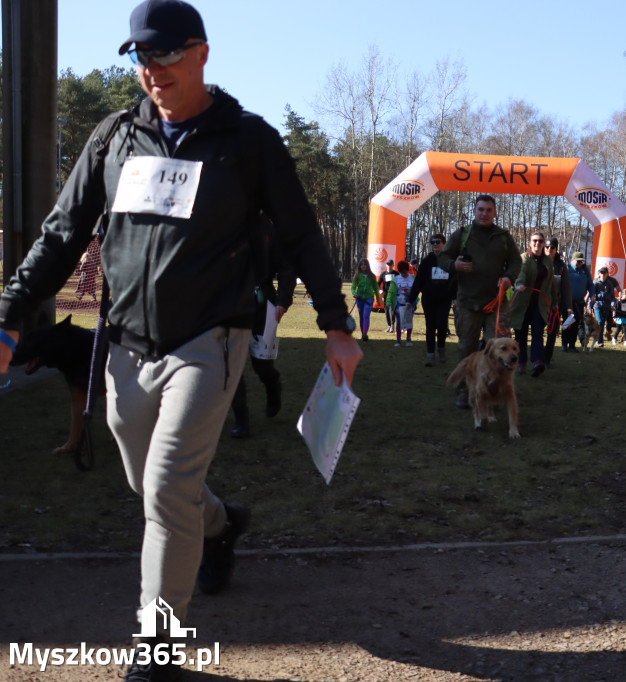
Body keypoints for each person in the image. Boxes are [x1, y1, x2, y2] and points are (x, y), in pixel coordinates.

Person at [0, 2, 363, 680]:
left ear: (200, 53)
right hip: (126, 349)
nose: (152, 71)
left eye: (165, 56)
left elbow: (300, 234)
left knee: (166, 486)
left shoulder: (247, 141)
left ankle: (156, 649)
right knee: (153, 486)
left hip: (209, 342)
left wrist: (337, 324)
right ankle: (222, 526)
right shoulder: (113, 138)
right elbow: (59, 234)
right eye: (141, 58)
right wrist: (10, 314)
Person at [437, 194, 521, 408]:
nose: (484, 213)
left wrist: (509, 278)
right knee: (467, 350)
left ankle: (497, 392)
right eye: (480, 209)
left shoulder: (503, 237)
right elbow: (443, 258)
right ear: (474, 211)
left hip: (497, 304)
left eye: (488, 210)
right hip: (468, 303)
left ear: (494, 212)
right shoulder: (462, 234)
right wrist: (453, 265)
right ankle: (464, 393)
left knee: (501, 351)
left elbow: (515, 261)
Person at [230, 221, 297, 439]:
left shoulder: (269, 228)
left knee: (261, 364)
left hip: (262, 304)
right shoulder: (221, 223)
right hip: (230, 305)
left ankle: (272, 386)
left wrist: (283, 300)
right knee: (231, 364)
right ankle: (241, 420)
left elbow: (286, 267)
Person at [511, 231, 555, 377]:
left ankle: (537, 362)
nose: (537, 243)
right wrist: (520, 284)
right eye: (535, 241)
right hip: (522, 304)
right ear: (530, 243)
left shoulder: (548, 261)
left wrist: (555, 302)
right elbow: (521, 273)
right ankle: (521, 363)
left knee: (537, 334)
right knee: (520, 336)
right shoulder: (524, 258)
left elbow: (551, 284)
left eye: (540, 241)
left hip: (540, 304)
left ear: (543, 244)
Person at [409, 233, 454, 366]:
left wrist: (455, 297)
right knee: (430, 326)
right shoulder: (426, 261)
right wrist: (411, 299)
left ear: (444, 244)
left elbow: (455, 280)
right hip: (429, 298)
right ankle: (430, 355)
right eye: (433, 242)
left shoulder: (449, 260)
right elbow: (419, 281)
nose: (435, 244)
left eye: (438, 242)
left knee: (441, 325)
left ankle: (441, 348)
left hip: (444, 298)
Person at [542, 237, 570, 367]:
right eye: (546, 247)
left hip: (555, 305)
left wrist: (569, 306)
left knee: (552, 332)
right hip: (539, 303)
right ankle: (537, 357)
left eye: (552, 247)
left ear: (556, 249)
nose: (549, 249)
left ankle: (546, 359)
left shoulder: (561, 266)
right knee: (537, 331)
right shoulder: (539, 261)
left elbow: (566, 287)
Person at [564, 252, 593, 353]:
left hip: (579, 302)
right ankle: (564, 344)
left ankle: (572, 345)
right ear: (572, 260)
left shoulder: (585, 270)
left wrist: (592, 294)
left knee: (576, 324)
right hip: (567, 302)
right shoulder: (567, 269)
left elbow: (590, 284)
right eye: (578, 261)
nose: (580, 263)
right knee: (567, 323)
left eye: (581, 261)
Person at [351, 257, 382, 342]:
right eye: (362, 265)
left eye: (365, 264)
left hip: (369, 300)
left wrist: (378, 300)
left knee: (365, 316)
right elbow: (353, 288)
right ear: (360, 266)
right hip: (359, 299)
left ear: (368, 266)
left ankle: (365, 334)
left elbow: (376, 288)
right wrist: (354, 293)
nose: (363, 266)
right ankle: (363, 335)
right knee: (361, 317)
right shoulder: (357, 276)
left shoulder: (372, 276)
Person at [386, 260, 416, 347]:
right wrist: (388, 301)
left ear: (408, 269)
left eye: (405, 271)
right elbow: (391, 292)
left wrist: (412, 291)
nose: (404, 273)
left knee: (409, 321)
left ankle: (408, 339)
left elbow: (418, 289)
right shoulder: (396, 279)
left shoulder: (413, 278)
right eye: (402, 272)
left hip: (410, 301)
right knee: (399, 321)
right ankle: (398, 340)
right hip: (399, 301)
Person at [591, 266, 620, 346]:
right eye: (601, 273)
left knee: (602, 323)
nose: (603, 275)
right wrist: (590, 306)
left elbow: (612, 297)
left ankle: (599, 339)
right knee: (599, 321)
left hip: (606, 305)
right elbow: (592, 295)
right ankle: (600, 341)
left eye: (604, 273)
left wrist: (612, 304)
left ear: (607, 274)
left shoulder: (610, 284)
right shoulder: (596, 283)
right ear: (599, 274)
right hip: (597, 304)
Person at [377, 259, 397, 332]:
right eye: (388, 264)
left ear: (393, 265)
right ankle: (389, 325)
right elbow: (377, 284)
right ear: (386, 265)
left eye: (390, 264)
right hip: (386, 295)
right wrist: (380, 290)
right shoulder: (383, 274)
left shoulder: (396, 274)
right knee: (386, 310)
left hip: (394, 295)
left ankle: (392, 326)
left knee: (392, 310)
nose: (389, 266)